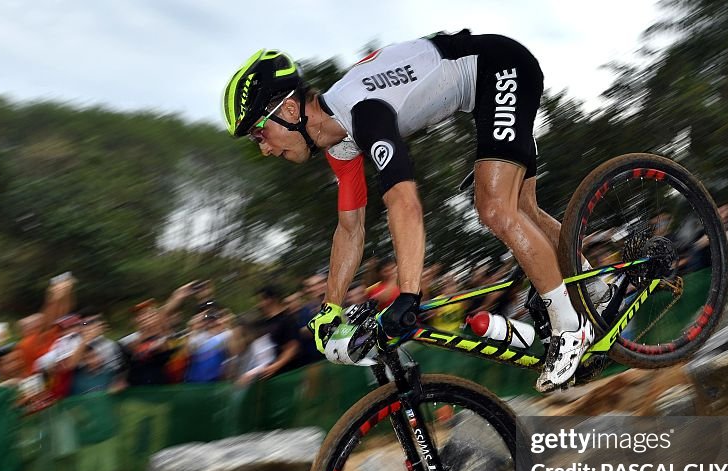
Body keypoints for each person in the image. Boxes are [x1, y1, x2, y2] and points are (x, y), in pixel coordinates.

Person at [222, 31, 594, 391]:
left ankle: (571, 327)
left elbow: (404, 203)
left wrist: (408, 295)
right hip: (485, 88)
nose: (264, 149)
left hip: (500, 67)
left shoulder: (361, 110)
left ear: (288, 109)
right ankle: (594, 285)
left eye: (258, 133)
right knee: (522, 209)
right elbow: (350, 228)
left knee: (495, 208)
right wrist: (331, 307)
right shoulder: (341, 144)